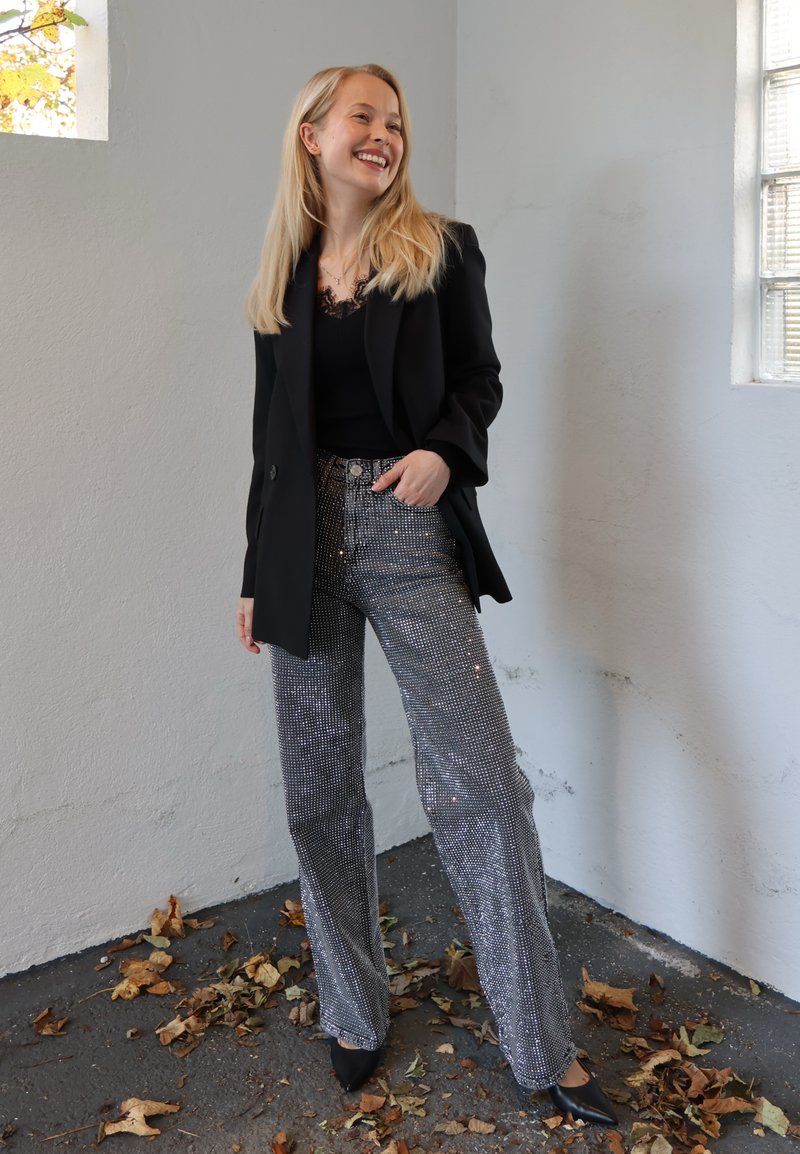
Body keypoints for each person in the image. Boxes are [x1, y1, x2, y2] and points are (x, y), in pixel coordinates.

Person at [236, 63, 617, 1127]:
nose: (384, 134)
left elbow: (477, 380)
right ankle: (352, 1006)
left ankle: (540, 1041)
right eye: (363, 116)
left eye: (394, 121)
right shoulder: (284, 274)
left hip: (405, 528)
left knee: (481, 784)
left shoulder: (440, 250)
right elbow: (270, 442)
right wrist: (250, 572)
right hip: (298, 542)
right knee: (319, 791)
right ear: (311, 135)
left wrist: (445, 455)